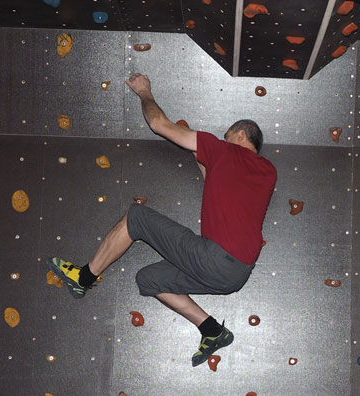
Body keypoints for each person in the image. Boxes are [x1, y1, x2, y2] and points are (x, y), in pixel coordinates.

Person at [46, 73, 277, 367]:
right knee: (149, 279)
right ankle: (212, 330)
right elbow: (218, 186)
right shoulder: (267, 173)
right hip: (236, 276)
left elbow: (159, 125)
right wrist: (202, 157)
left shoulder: (225, 150)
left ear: (239, 135)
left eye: (227, 136)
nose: (222, 140)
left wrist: (145, 93)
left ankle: (84, 277)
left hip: (215, 258)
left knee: (138, 216)